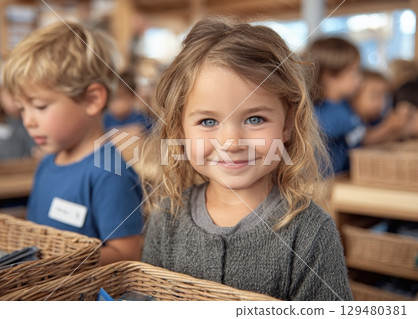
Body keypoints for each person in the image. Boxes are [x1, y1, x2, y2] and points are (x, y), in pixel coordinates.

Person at [140, 18, 352, 301]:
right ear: (180, 130)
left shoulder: (311, 232)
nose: (231, 142)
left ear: (287, 123)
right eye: (207, 121)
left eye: (255, 119)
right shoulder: (166, 218)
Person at [1, 21, 143, 265]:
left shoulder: (109, 173)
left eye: (40, 106)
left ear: (92, 99)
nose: (28, 121)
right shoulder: (47, 163)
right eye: (23, 109)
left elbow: (127, 255)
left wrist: (60, 263)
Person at [307, 37, 366, 174]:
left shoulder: (344, 104)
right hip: (324, 185)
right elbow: (364, 138)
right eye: (354, 73)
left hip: (342, 178)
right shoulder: (325, 114)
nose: (360, 79)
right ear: (329, 76)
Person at [351, 70, 408, 144]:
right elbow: (365, 141)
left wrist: (397, 129)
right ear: (355, 96)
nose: (380, 103)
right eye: (375, 96)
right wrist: (388, 126)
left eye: (383, 97)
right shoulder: (351, 120)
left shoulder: (375, 120)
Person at [103, 70, 151, 135]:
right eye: (111, 99)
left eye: (120, 98)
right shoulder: (106, 119)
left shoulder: (142, 119)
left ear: (133, 98)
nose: (115, 104)